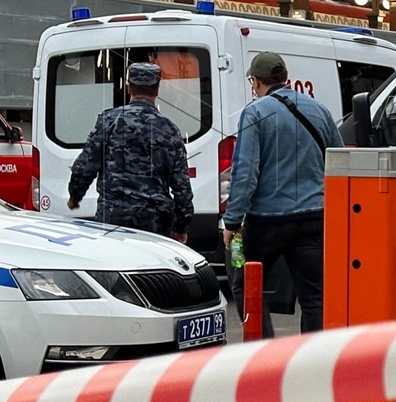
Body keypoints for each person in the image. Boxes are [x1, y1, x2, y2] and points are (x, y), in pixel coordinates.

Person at [221, 50, 342, 337]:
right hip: (314, 217)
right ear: (285, 78)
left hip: (267, 221)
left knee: (245, 282)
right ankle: (314, 356)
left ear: (256, 82)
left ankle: (264, 352)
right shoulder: (319, 110)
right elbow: (339, 159)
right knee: (315, 296)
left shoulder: (255, 113)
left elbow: (246, 172)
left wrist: (232, 221)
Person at [67, 61, 194, 240]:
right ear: (157, 90)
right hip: (155, 222)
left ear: (128, 88)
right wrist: (181, 227)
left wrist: (75, 196)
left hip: (113, 218)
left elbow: (85, 165)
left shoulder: (109, 121)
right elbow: (182, 188)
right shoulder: (169, 130)